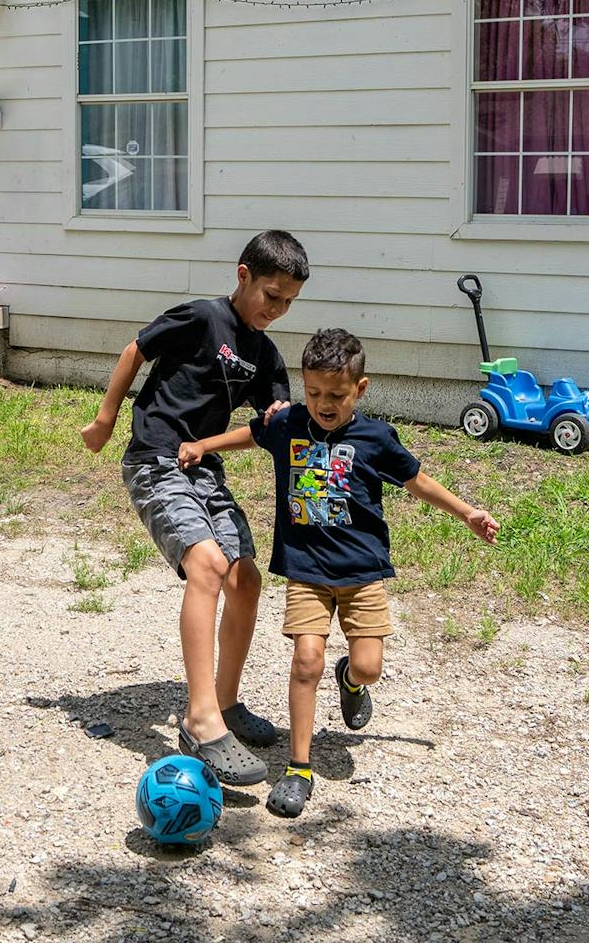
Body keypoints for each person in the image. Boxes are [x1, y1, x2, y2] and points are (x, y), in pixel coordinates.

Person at [179, 328, 498, 817]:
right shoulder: (288, 423)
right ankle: (300, 767)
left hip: (362, 575)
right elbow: (253, 433)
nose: (323, 404)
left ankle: (350, 679)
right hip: (306, 571)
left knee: (369, 664)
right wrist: (204, 444)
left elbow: (418, 481)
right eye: (313, 392)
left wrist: (468, 513)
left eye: (336, 395)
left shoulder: (375, 438)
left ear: (361, 389)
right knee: (306, 661)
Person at [80, 230, 310, 786]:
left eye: (288, 303)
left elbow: (274, 419)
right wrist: (107, 418)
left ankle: (225, 704)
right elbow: (137, 349)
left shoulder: (265, 354)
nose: (276, 310)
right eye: (270, 295)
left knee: (246, 579)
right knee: (206, 564)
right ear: (243, 276)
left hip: (204, 467)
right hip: (156, 457)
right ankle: (200, 719)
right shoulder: (203, 317)